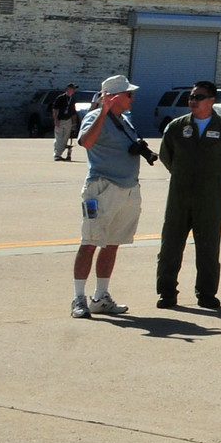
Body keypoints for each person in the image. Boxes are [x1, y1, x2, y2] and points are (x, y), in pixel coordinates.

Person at [155, 79, 221, 309]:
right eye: (192, 97)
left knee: (208, 246)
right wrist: (182, 173)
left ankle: (206, 293)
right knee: (170, 245)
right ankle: (167, 292)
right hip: (179, 194)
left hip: (209, 195)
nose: (193, 101)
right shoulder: (176, 126)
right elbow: (167, 155)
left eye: (199, 97)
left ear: (212, 100)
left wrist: (214, 174)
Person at [71, 74, 153, 317]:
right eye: (129, 94)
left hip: (127, 189)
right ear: (114, 97)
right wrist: (103, 111)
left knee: (112, 244)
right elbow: (85, 142)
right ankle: (78, 299)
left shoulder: (124, 119)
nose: (133, 98)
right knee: (89, 243)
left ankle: (101, 296)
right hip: (102, 188)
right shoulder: (97, 117)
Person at [50, 83, 79, 161]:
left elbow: (73, 112)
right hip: (60, 119)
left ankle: (60, 153)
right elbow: (55, 109)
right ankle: (56, 154)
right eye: (72, 89)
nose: (73, 91)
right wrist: (56, 119)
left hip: (68, 120)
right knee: (59, 137)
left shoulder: (72, 99)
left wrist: (74, 123)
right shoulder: (61, 98)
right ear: (68, 89)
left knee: (65, 138)